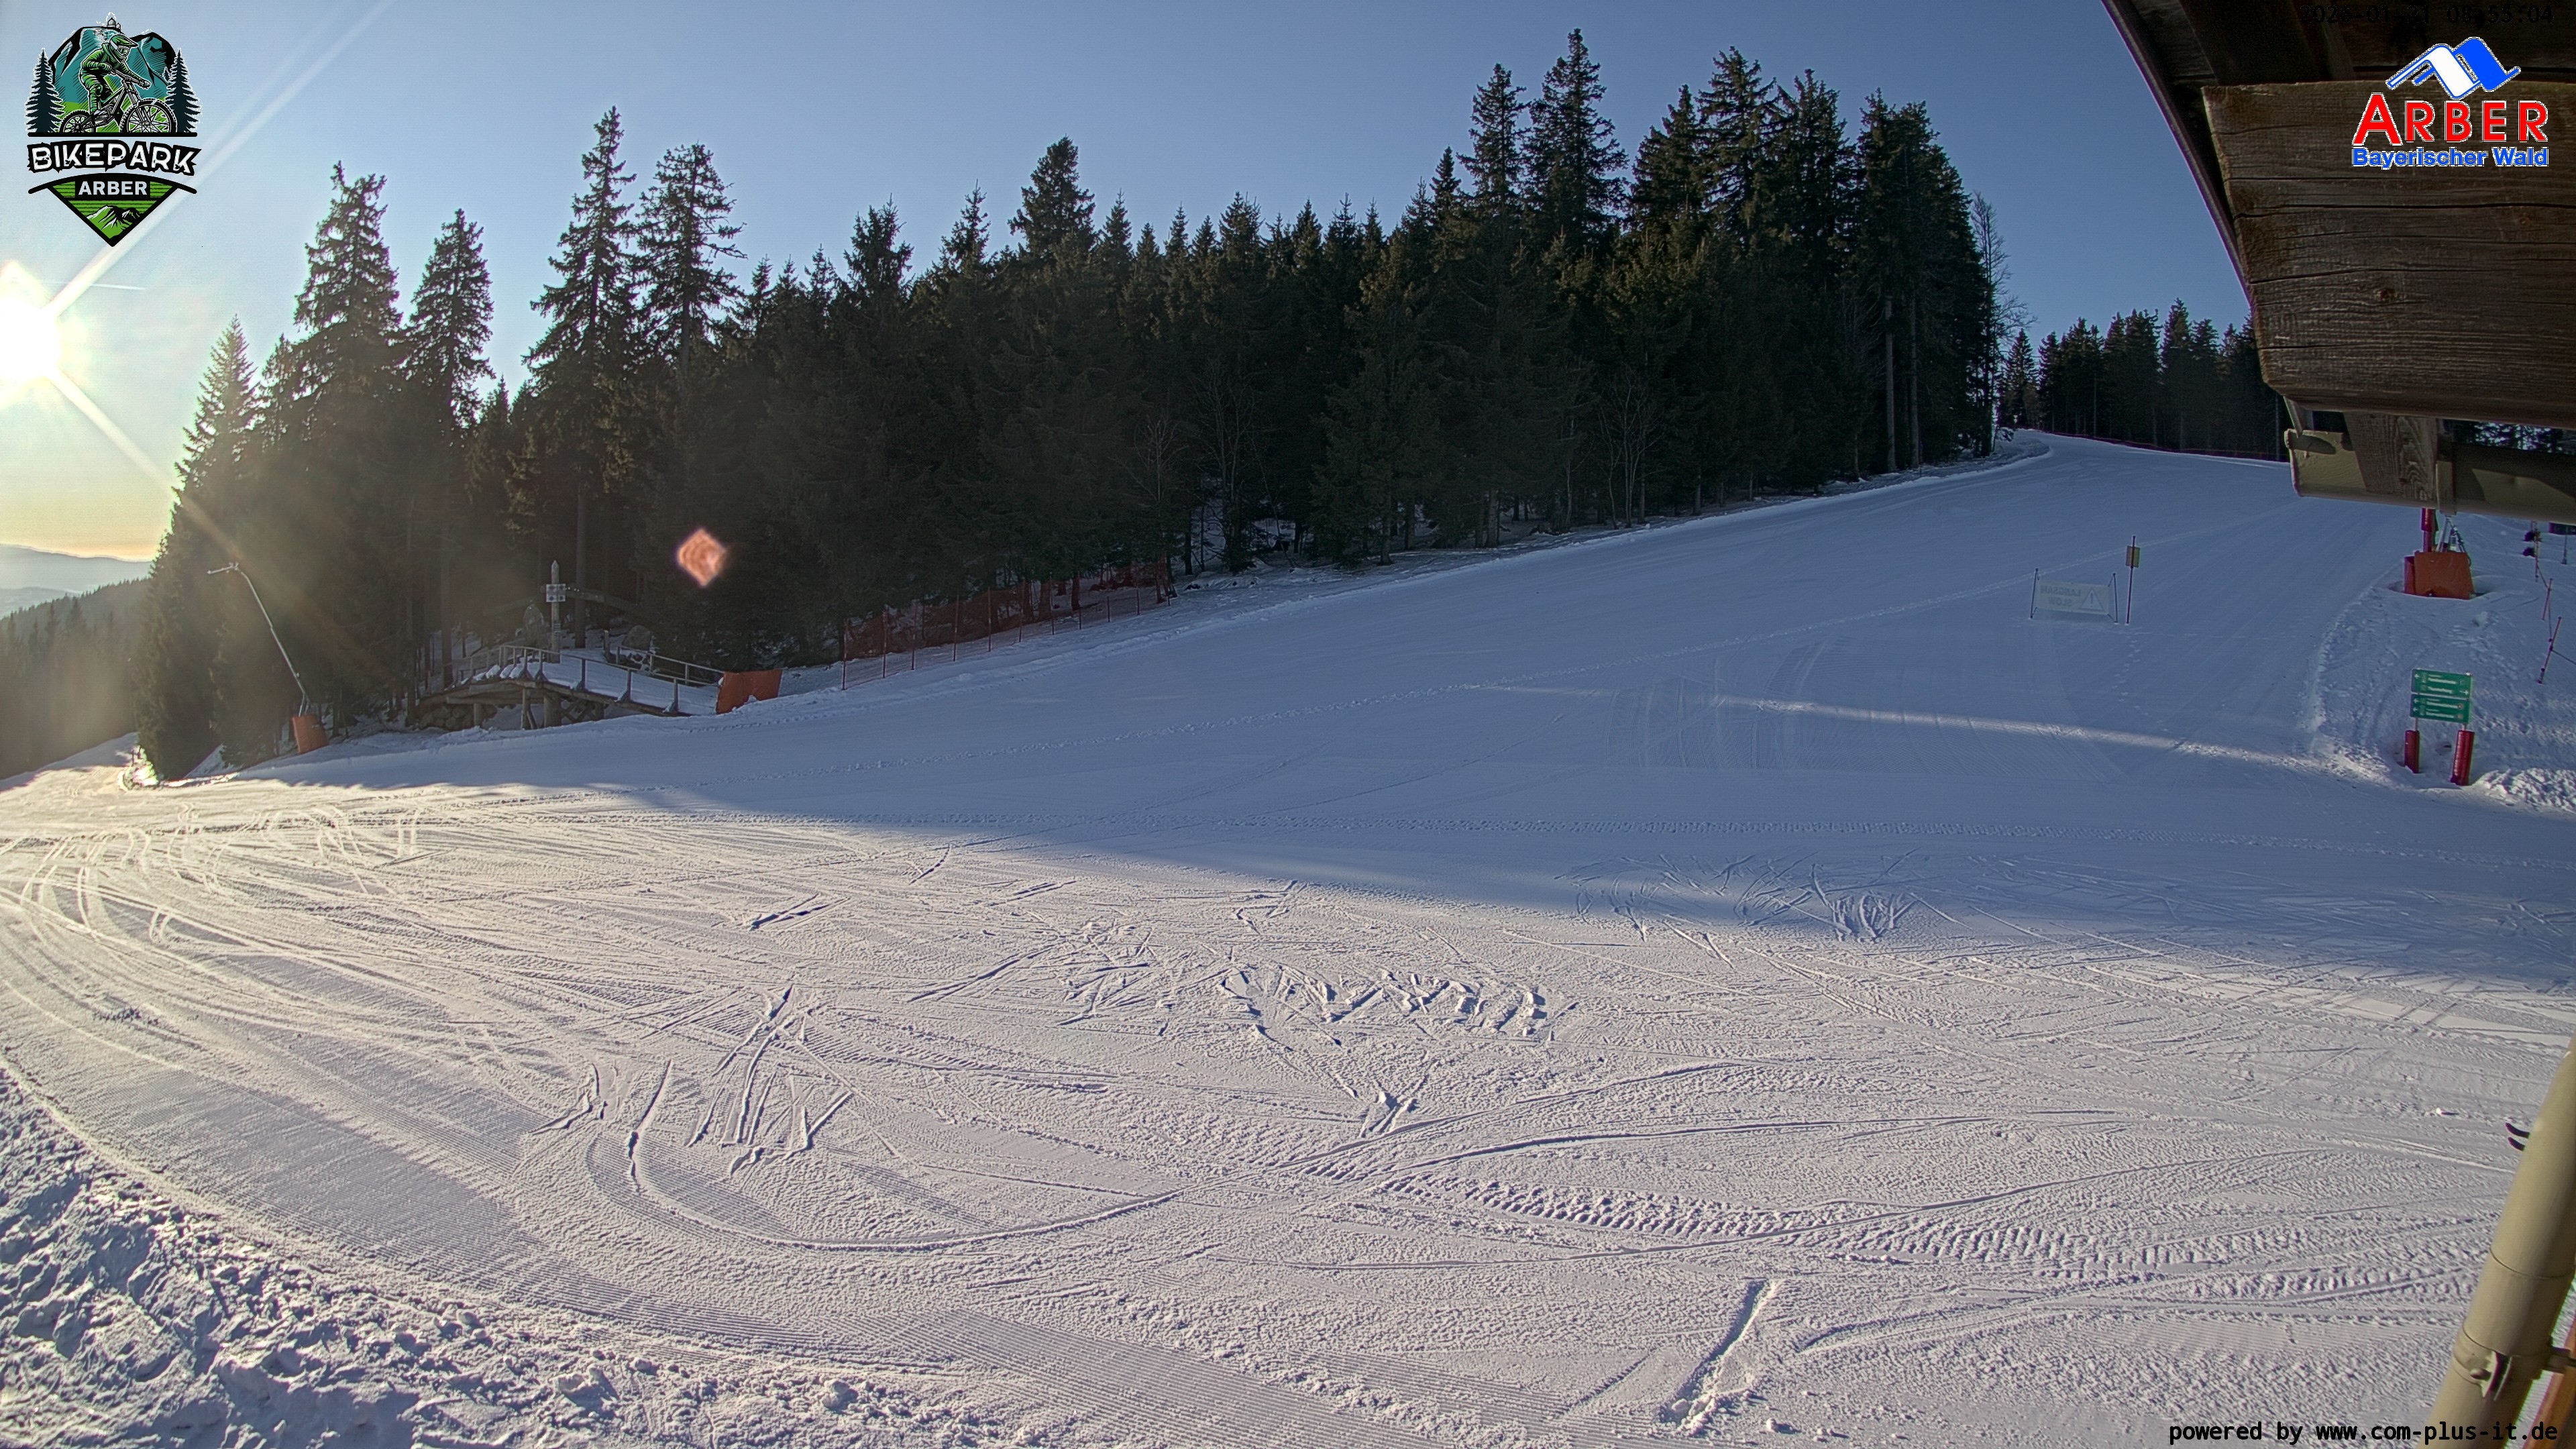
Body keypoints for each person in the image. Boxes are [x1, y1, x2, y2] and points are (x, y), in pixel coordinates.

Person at [76, 17, 149, 127]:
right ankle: (94, 112)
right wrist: (101, 65)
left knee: (114, 105)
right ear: (114, 48)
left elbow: (128, 72)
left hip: (99, 77)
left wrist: (141, 81)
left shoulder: (119, 62)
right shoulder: (101, 53)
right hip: (88, 74)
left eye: (127, 51)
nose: (125, 54)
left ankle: (123, 127)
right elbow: (85, 64)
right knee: (97, 87)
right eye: (122, 50)